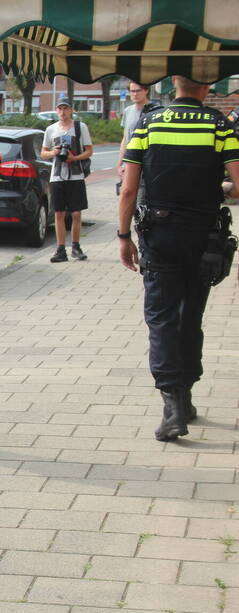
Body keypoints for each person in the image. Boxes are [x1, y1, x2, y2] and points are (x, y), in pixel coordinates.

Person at [118, 75, 239, 441]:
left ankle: (172, 406)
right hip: (204, 237)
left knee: (162, 318)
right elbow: (238, 183)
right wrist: (216, 189)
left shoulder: (149, 123)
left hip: (159, 235)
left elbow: (128, 189)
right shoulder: (220, 126)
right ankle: (185, 395)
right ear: (206, 88)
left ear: (174, 84)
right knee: (191, 315)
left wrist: (124, 237)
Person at [41, 98, 93, 262]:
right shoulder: (50, 129)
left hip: (76, 175)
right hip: (57, 176)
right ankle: (60, 249)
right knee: (59, 213)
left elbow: (89, 150)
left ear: (71, 110)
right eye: (60, 109)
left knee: (76, 213)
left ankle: (76, 247)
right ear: (56, 111)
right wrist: (53, 153)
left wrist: (74, 158)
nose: (63, 112)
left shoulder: (80, 127)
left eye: (66, 109)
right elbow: (43, 153)